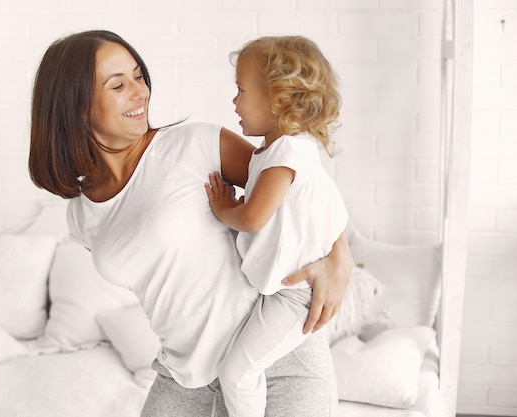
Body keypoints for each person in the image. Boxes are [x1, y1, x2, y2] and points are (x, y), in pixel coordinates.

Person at [28, 30, 353, 417]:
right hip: (183, 374)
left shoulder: (196, 145)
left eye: (138, 76)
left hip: (273, 360)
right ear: (74, 106)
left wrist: (340, 256)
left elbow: (299, 188)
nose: (140, 92)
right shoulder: (80, 216)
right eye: (118, 84)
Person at [204, 36, 348, 417]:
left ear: (279, 99)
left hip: (293, 294)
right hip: (280, 291)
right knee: (236, 368)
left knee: (237, 374)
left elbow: (253, 217)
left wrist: (223, 209)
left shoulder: (287, 151)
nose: (234, 101)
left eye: (241, 90)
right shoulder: (280, 150)